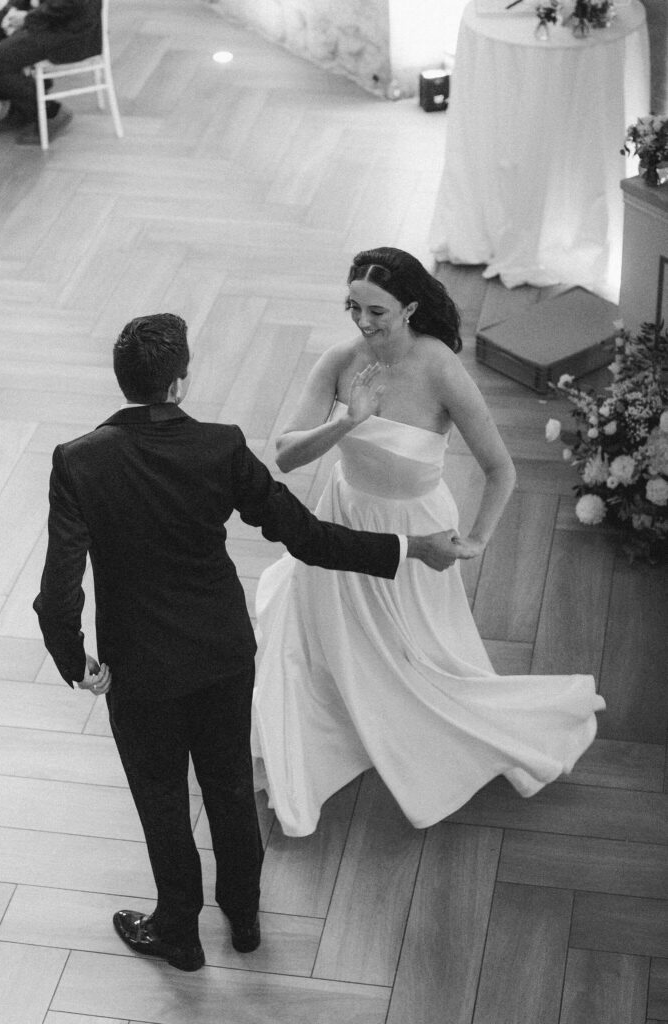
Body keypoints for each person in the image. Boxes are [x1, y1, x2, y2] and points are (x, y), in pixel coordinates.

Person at [33, 312, 475, 972]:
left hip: (141, 668)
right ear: (179, 384)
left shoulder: (78, 461)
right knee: (230, 791)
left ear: (125, 382)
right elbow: (308, 538)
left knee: (161, 801)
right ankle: (243, 920)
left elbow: (56, 592)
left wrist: (78, 663)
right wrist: (412, 547)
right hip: (221, 654)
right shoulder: (220, 447)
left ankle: (178, 931)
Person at [251, 246, 606, 838]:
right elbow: (286, 456)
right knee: (316, 651)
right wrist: (346, 420)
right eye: (354, 307)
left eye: (378, 311)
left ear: (411, 307)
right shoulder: (340, 361)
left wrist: (477, 540)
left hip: (417, 533)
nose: (363, 322)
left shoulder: (440, 368)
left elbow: (501, 469)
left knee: (418, 656)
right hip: (342, 520)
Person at [0, 0, 102, 144]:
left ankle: (49, 112)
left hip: (68, 28)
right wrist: (13, 8)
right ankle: (23, 108)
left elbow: (72, 4)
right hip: (46, 16)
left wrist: (27, 17)